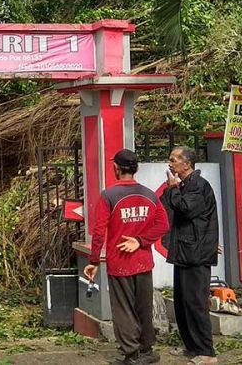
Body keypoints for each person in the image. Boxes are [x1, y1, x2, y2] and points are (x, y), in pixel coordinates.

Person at [84, 149, 170, 365]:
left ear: (117, 168)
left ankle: (131, 354)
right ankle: (146, 350)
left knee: (123, 309)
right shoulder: (149, 195)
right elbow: (163, 225)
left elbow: (99, 232)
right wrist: (141, 241)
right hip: (143, 262)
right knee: (143, 307)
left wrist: (94, 261)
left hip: (119, 262)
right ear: (136, 169)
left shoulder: (108, 196)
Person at [161, 146, 219, 365]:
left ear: (187, 164)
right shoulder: (184, 185)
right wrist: (173, 189)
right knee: (182, 302)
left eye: (174, 160)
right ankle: (191, 346)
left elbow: (186, 210)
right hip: (184, 251)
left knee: (195, 302)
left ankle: (207, 352)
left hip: (197, 254)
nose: (170, 163)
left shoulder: (198, 185)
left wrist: (173, 189)